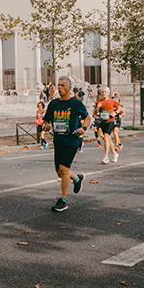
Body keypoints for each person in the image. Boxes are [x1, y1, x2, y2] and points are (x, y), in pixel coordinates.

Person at [42, 75, 92, 212]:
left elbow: (88, 118)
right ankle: (76, 178)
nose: (60, 87)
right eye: (58, 85)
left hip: (72, 140)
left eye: (63, 85)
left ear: (70, 88)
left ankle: (63, 200)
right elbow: (46, 120)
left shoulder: (76, 104)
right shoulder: (53, 104)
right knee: (60, 172)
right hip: (58, 141)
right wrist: (46, 126)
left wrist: (84, 128)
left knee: (64, 169)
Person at [94, 87, 124, 164]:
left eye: (105, 92)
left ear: (108, 93)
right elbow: (94, 113)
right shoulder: (98, 102)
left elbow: (120, 109)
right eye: (103, 92)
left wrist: (115, 113)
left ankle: (106, 156)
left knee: (106, 137)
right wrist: (97, 108)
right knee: (108, 139)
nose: (104, 93)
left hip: (110, 121)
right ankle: (115, 153)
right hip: (102, 121)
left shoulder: (113, 101)